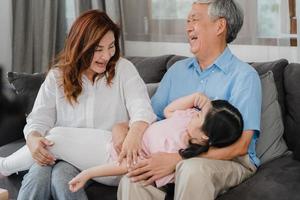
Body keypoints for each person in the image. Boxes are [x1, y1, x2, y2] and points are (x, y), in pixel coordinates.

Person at [1, 10, 157, 200]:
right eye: (98, 49)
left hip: (107, 158)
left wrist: (134, 134)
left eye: (111, 46)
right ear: (80, 45)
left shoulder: (123, 70)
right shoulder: (57, 76)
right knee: (40, 176)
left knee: (56, 138)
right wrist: (33, 139)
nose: (107, 56)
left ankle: (4, 166)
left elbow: (142, 109)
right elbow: (38, 119)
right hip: (62, 157)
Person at [117, 0, 262, 200]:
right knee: (133, 178)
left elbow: (241, 146)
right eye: (187, 20)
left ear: (219, 26)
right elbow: (150, 117)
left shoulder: (245, 76)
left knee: (191, 169)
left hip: (231, 160)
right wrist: (126, 130)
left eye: (194, 19)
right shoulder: (176, 71)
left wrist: (177, 158)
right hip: (177, 155)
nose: (187, 27)